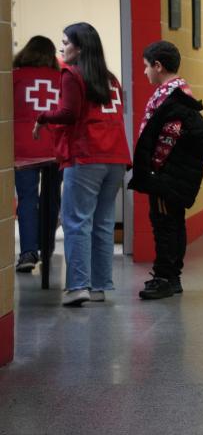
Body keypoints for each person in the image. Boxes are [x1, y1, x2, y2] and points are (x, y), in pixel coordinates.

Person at [34, 22, 131, 306]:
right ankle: (99, 286)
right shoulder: (111, 79)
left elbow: (68, 113)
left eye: (65, 42)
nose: (62, 47)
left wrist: (42, 118)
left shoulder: (72, 74)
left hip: (87, 155)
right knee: (102, 223)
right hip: (115, 157)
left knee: (76, 221)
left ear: (79, 47)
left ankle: (78, 286)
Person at [129, 40, 203, 300]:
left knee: (165, 224)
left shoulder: (171, 99)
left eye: (146, 67)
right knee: (172, 223)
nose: (144, 72)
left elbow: (167, 138)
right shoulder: (178, 93)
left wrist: (153, 171)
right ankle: (173, 276)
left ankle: (164, 276)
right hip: (171, 175)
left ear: (158, 65)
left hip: (166, 176)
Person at [12, 36, 63, 273]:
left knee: (27, 199)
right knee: (51, 197)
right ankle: (47, 246)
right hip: (55, 147)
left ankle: (28, 253)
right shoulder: (61, 78)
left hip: (23, 148)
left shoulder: (14, 76)